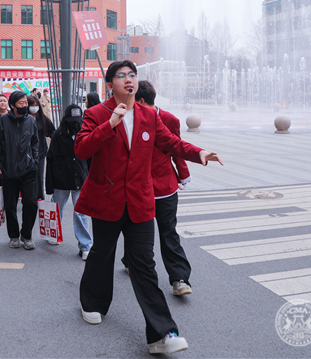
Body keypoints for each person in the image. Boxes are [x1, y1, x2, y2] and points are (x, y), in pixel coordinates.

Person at [74, 60, 223, 354]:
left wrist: (200, 153)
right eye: (121, 76)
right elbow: (81, 148)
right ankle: (92, 302)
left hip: (140, 201)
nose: (129, 80)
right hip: (107, 199)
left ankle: (162, 334)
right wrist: (111, 124)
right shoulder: (96, 114)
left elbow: (170, 143)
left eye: (132, 75)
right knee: (102, 253)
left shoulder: (149, 115)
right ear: (110, 84)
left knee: (144, 265)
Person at [121, 80, 194, 296]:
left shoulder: (169, 120)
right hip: (137, 186)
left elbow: (176, 148)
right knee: (135, 230)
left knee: (168, 233)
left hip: (164, 186)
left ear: (142, 100)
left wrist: (183, 175)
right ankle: (130, 260)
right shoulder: (127, 118)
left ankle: (180, 278)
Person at [0, 90, 39, 250]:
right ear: (12, 106)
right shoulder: (3, 121)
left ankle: (27, 234)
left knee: (31, 203)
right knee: (10, 206)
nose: (26, 105)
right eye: (22, 103)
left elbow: (35, 142)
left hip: (28, 170)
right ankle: (13, 235)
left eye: (26, 102)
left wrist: (35, 161)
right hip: (8, 170)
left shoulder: (30, 121)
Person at [45, 104, 92, 258]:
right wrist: (49, 185)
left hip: (80, 177)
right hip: (61, 179)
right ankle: (54, 234)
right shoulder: (58, 135)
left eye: (79, 120)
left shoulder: (85, 134)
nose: (76, 123)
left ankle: (85, 246)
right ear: (65, 119)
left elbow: (91, 158)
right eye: (73, 120)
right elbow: (50, 159)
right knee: (57, 208)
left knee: (81, 213)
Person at [27, 95, 55, 201]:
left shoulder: (43, 119)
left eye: (36, 105)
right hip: (26, 152)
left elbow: (52, 132)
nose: (34, 107)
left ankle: (39, 196)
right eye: (32, 105)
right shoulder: (23, 118)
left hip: (40, 152)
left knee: (39, 176)